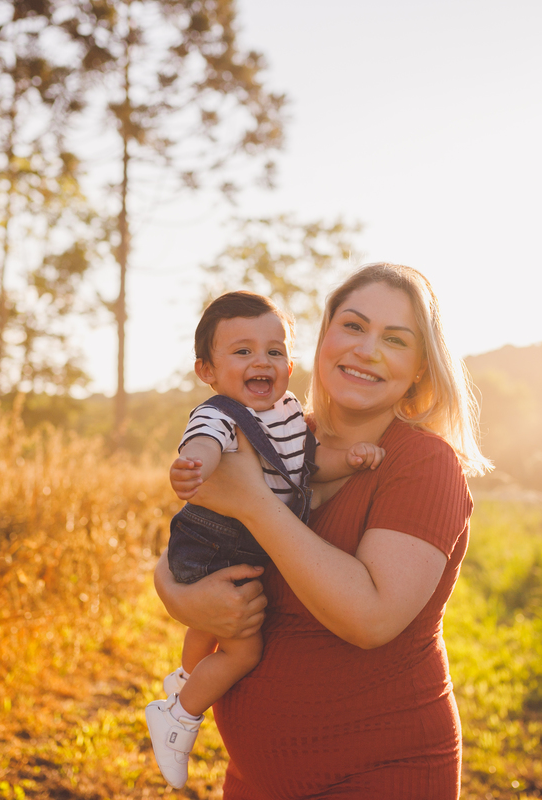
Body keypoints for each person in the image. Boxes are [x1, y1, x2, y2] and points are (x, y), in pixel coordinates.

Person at [154, 263, 492, 798]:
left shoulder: (423, 464)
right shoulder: (271, 436)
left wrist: (256, 504)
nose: (367, 350)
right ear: (323, 337)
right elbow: (192, 537)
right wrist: (177, 596)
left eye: (395, 340)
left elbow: (371, 617)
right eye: (353, 327)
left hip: (380, 775)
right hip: (253, 781)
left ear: (421, 368)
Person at [146, 290, 385, 789]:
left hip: (242, 544)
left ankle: (185, 682)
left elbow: (307, 465)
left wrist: (352, 459)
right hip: (215, 542)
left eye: (274, 351)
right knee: (242, 650)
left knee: (211, 624)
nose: (262, 361)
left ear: (290, 365)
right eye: (242, 351)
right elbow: (205, 441)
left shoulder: (290, 412)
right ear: (206, 371)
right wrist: (194, 467)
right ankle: (180, 715)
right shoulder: (223, 413)